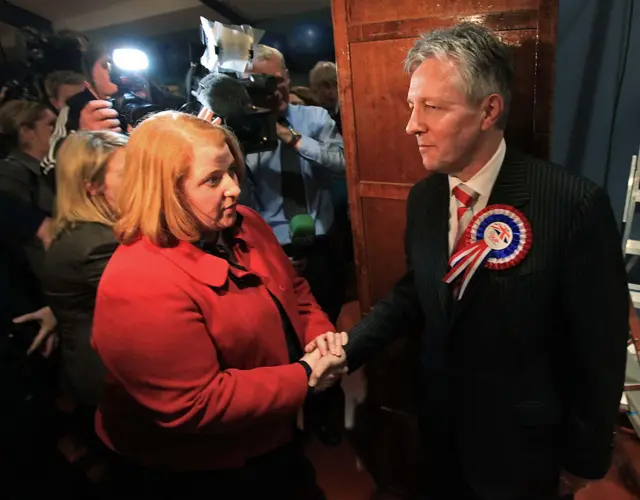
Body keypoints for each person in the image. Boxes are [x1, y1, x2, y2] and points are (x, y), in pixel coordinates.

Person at [307, 23, 629, 500]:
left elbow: (599, 349)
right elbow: (417, 291)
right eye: (412, 106)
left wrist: (584, 459)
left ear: (489, 110)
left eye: (432, 108)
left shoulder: (572, 204)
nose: (411, 124)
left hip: (524, 448)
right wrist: (350, 349)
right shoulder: (424, 199)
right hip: (439, 429)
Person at [91, 111, 346, 499]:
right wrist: (304, 375)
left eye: (230, 171)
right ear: (166, 189)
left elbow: (294, 289)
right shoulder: (138, 279)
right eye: (213, 179)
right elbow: (194, 403)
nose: (234, 189)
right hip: (197, 471)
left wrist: (320, 336)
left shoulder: (244, 223)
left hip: (269, 437)